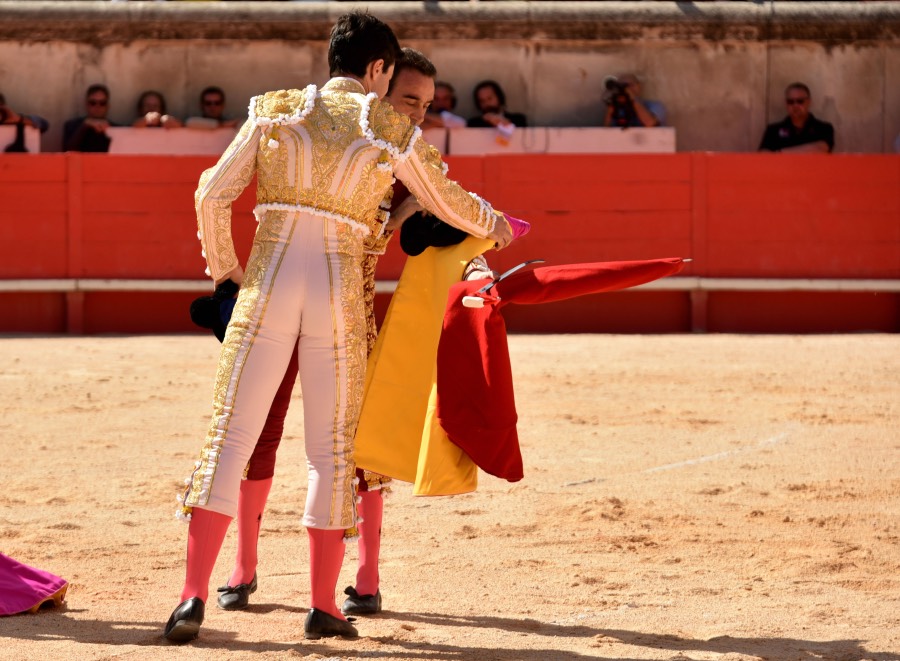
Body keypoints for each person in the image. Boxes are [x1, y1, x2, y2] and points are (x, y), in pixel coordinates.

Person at [163, 11, 516, 645]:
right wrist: (497, 224)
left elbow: (212, 194)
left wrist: (226, 278)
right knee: (330, 451)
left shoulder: (273, 109)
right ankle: (323, 604)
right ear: (379, 68)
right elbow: (447, 200)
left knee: (230, 438)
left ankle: (192, 596)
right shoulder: (386, 129)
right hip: (336, 296)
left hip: (267, 287)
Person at [207, 47, 443, 620]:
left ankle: (367, 574)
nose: (418, 114)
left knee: (356, 444)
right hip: (309, 297)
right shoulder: (342, 130)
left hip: (351, 312)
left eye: (427, 105)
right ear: (380, 84)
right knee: (260, 429)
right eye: (409, 100)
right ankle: (243, 564)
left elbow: (438, 218)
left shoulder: (403, 149)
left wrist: (407, 214)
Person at [758, 82, 834, 153]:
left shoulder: (823, 128)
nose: (795, 105)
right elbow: (763, 155)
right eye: (790, 102)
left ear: (809, 102)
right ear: (786, 104)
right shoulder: (773, 130)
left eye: (800, 101)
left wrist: (778, 153)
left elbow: (821, 149)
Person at [63, 84, 116, 152]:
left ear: (107, 106)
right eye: (93, 103)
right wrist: (84, 127)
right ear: (87, 105)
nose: (97, 106)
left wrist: (110, 131)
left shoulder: (115, 128)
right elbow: (67, 151)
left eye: (102, 103)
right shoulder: (72, 126)